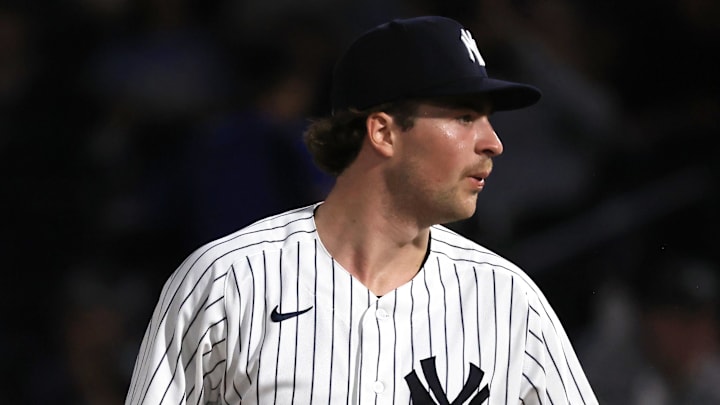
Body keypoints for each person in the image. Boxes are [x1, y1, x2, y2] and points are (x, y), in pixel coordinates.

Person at [124, 16, 598, 405]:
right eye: (464, 117)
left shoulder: (507, 299)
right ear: (384, 133)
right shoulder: (227, 281)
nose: (492, 143)